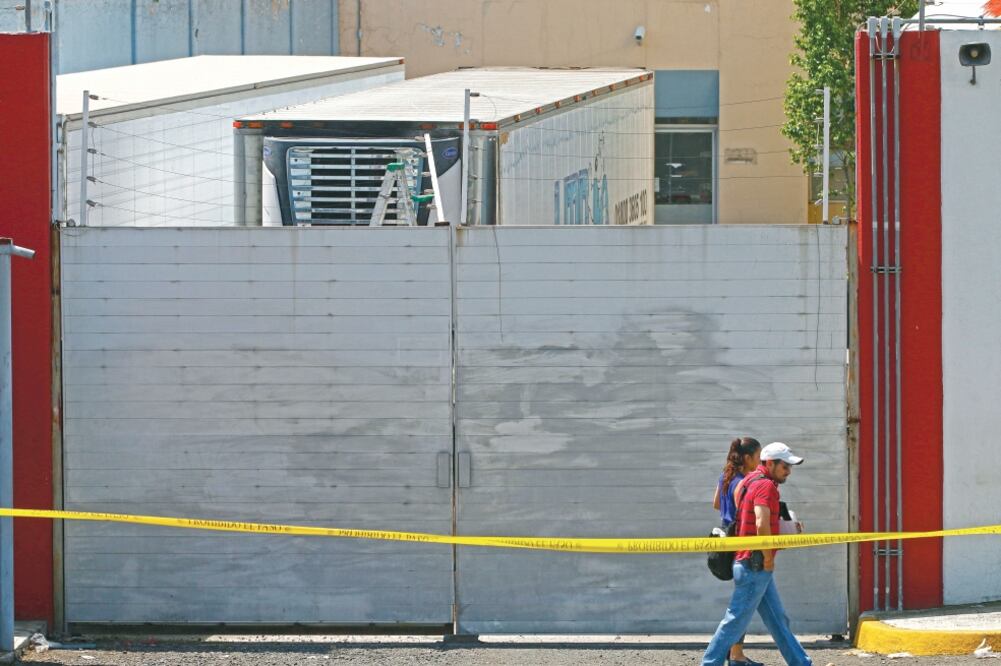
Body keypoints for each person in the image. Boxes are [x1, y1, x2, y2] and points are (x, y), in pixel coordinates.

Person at [702, 442, 813, 666]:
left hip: (748, 562)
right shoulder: (765, 486)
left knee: (778, 620)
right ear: (770, 463)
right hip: (756, 564)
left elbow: (741, 517)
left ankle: (802, 663)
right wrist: (768, 558)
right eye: (785, 466)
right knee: (734, 621)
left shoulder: (746, 482)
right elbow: (761, 523)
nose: (789, 471)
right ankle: (709, 663)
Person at [712, 437, 763, 666]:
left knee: (742, 601)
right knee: (741, 604)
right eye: (758, 456)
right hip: (739, 540)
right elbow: (744, 512)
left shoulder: (725, 476)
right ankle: (735, 654)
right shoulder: (743, 481)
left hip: (724, 538)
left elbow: (716, 504)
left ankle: (733, 652)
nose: (760, 461)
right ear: (747, 457)